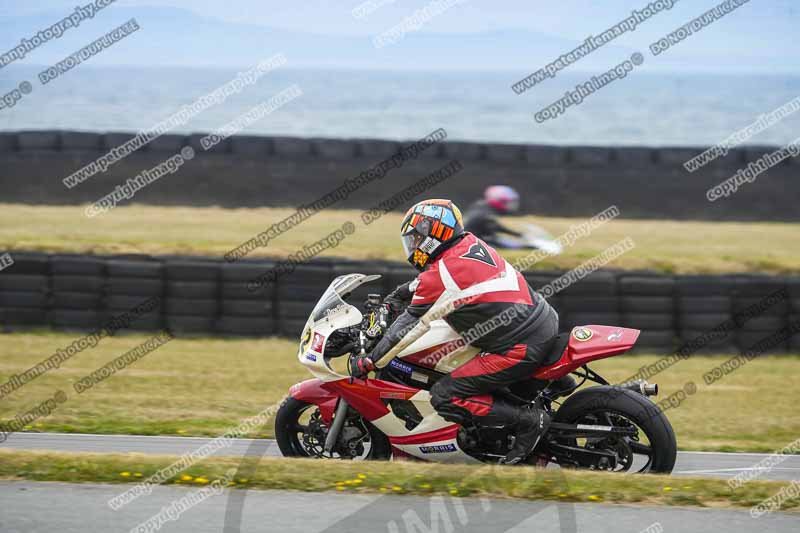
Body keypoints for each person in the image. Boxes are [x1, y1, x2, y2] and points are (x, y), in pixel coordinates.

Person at [348, 198, 559, 465]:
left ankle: (528, 422)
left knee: (445, 395)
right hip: (543, 321)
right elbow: (428, 283)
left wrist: (371, 360)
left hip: (519, 348)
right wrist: (395, 297)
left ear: (433, 235)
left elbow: (409, 326)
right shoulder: (468, 244)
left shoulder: (442, 273)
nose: (412, 246)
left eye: (415, 239)